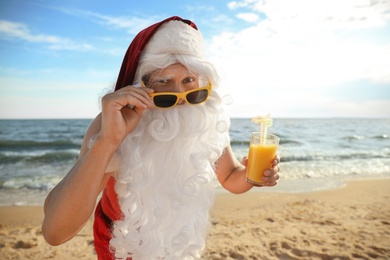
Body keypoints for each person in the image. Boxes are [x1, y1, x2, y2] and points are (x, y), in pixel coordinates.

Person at [42, 16, 280, 259]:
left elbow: (229, 176)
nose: (179, 97)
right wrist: (108, 141)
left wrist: (252, 174)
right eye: (164, 82)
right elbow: (55, 232)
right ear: (140, 84)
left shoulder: (204, 118)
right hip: (121, 246)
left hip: (180, 246)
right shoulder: (111, 124)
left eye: (189, 81)